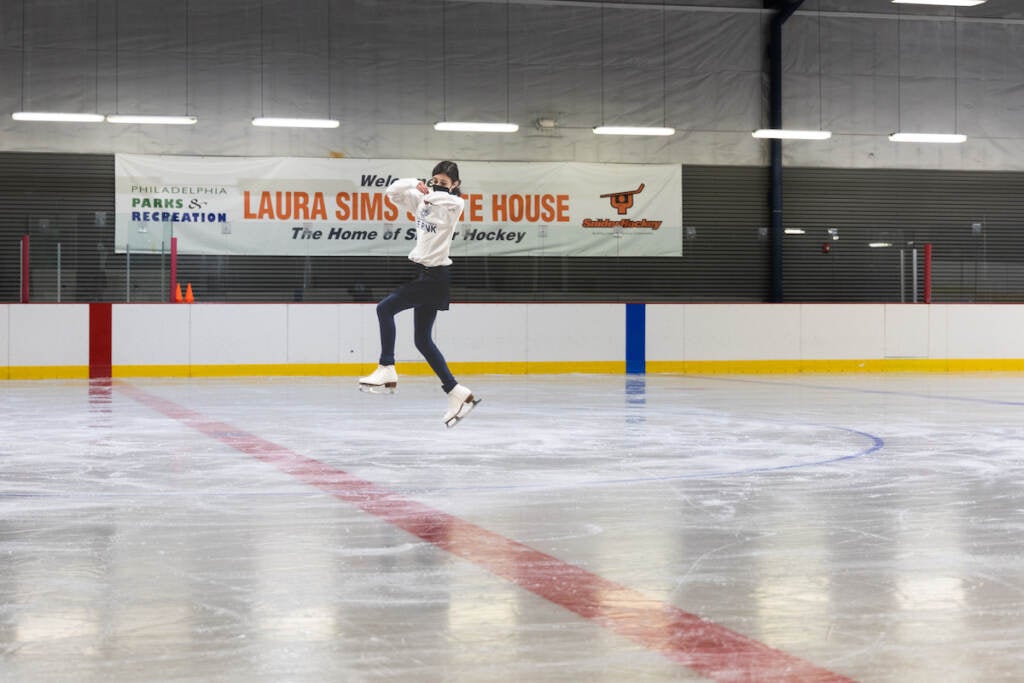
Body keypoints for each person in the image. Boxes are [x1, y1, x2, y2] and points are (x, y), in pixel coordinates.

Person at [358, 160, 481, 428]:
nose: (437, 184)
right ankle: (458, 393)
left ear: (456, 185)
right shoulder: (424, 201)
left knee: (384, 309)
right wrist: (415, 184)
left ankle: (387, 368)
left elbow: (438, 197)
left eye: (445, 182)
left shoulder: (454, 204)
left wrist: (428, 192)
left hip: (435, 277)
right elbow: (391, 192)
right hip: (426, 275)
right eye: (435, 179)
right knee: (423, 341)